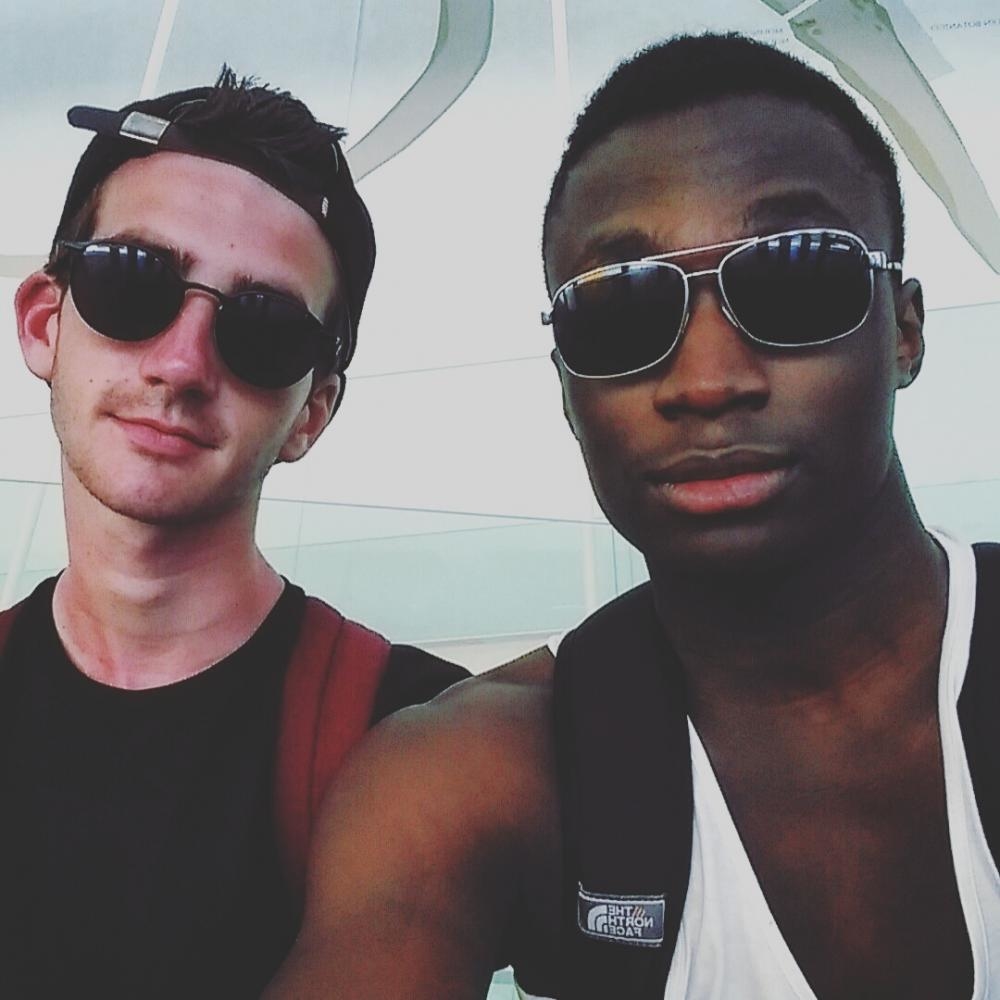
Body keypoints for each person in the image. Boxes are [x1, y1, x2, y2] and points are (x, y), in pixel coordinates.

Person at [265, 32, 1000, 1000]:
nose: (708, 381)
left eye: (794, 275)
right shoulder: (483, 772)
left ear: (903, 330)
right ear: (566, 391)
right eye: (618, 311)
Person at [3, 69, 467, 999]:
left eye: (264, 329)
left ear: (311, 414)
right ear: (45, 322)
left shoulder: (423, 745)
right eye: (132, 281)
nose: (181, 364)